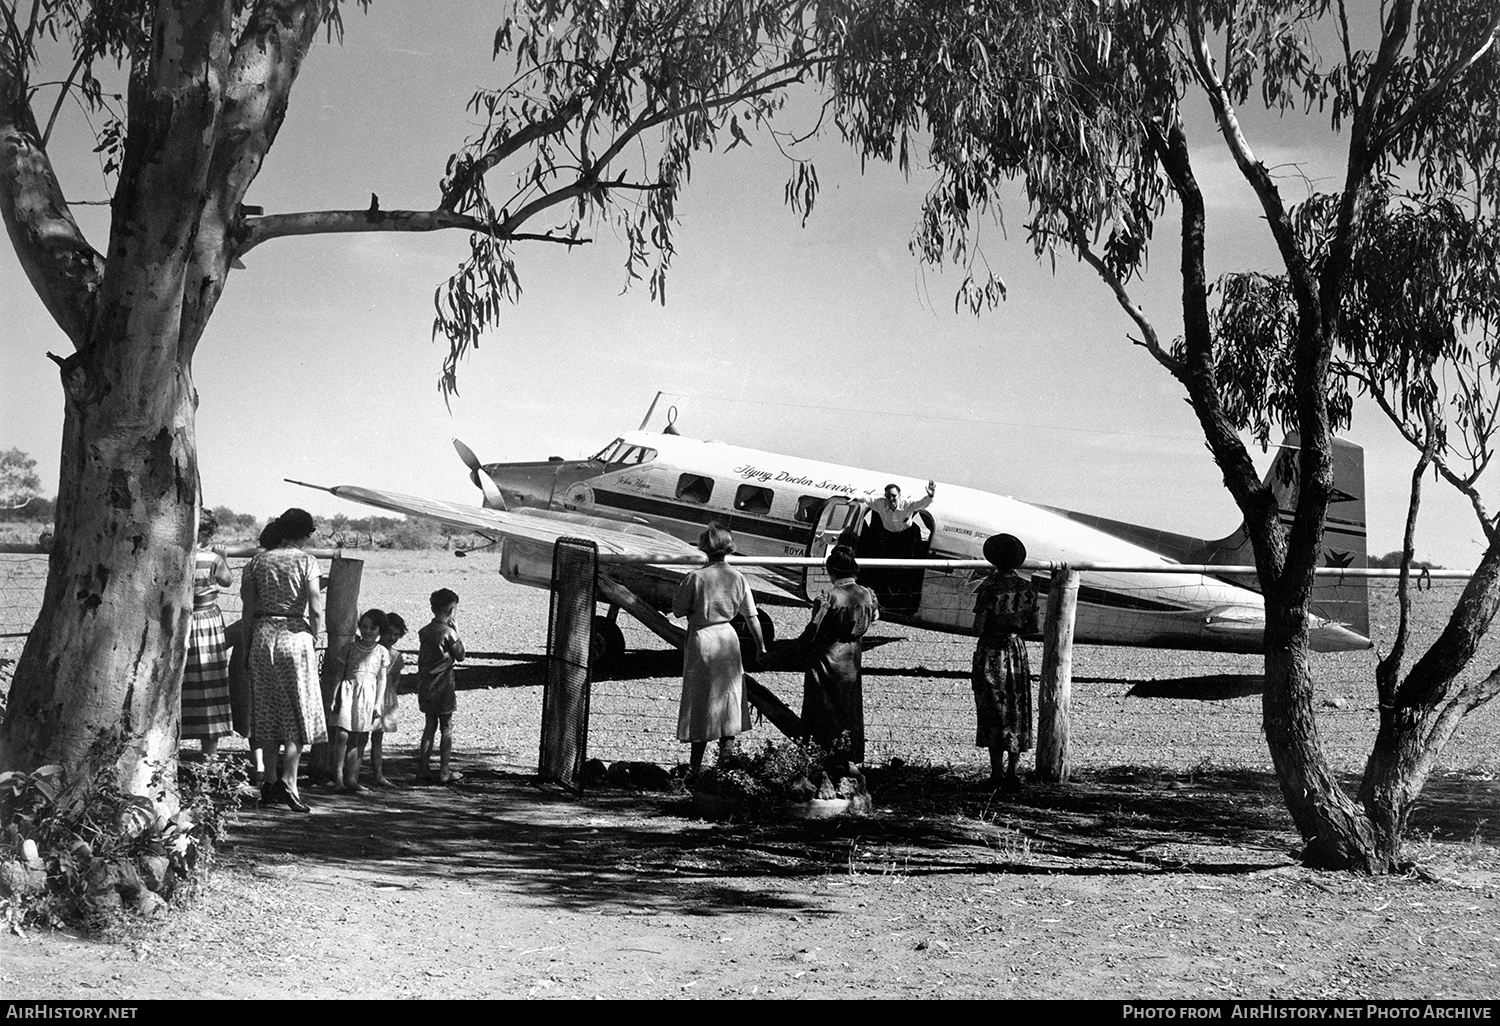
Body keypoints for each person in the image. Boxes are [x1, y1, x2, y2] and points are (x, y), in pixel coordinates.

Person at [241, 508, 325, 812]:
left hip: (263, 637)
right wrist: (314, 634)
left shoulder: (257, 562)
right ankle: (290, 782)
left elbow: (248, 611)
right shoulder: (306, 561)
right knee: (298, 709)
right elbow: (315, 606)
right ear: (304, 533)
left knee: (266, 709)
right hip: (294, 634)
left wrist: (248, 647)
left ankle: (271, 780)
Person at [671, 524, 765, 774]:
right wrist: (760, 646)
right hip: (728, 639)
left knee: (700, 698)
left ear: (704, 547)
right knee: (729, 698)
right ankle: (726, 765)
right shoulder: (738, 577)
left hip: (703, 638)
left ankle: (694, 767)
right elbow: (751, 616)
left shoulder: (696, 577)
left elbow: (678, 609)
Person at [793, 546, 880, 762]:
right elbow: (875, 615)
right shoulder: (867, 594)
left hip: (826, 661)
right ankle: (848, 754)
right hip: (851, 660)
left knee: (821, 710)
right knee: (848, 710)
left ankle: (819, 755)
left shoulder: (829, 598)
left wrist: (791, 651)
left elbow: (813, 631)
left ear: (830, 570)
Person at [971, 564, 1039, 791]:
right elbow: (1033, 626)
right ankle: (1013, 772)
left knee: (994, 709)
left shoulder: (989, 588)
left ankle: (996, 773)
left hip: (992, 651)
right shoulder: (1029, 588)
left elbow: (977, 627)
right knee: (1016, 708)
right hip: (1017, 652)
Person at [182, 508, 234, 757]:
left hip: (182, 623)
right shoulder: (211, 559)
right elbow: (227, 580)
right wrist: (222, 558)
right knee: (210, 682)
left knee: (184, 682)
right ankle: (209, 754)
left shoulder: (177, 556)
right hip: (207, 625)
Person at [328, 608, 392, 792]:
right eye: (364, 627)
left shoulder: (381, 652)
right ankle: (338, 777)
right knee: (342, 735)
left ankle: (352, 778)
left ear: (380, 630)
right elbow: (339, 674)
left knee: (360, 736)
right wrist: (334, 696)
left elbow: (382, 679)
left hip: (368, 697)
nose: (367, 631)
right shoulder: (349, 648)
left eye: (373, 628)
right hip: (348, 692)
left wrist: (378, 702)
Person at [416, 588, 466, 784]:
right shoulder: (448, 633)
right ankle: (444, 770)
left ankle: (423, 768)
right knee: (446, 726)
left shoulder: (425, 631)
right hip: (443, 686)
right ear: (452, 609)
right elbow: (460, 655)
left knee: (430, 725)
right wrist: (457, 632)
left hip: (426, 684)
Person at [370, 611, 407, 788]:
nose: (392, 637)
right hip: (369, 694)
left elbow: (396, 680)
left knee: (378, 737)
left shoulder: (397, 656)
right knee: (358, 736)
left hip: (385, 697)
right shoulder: (370, 650)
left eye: (396, 634)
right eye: (389, 633)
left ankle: (377, 773)